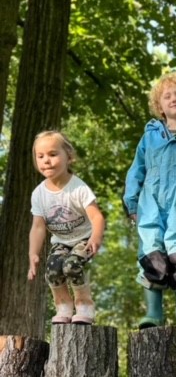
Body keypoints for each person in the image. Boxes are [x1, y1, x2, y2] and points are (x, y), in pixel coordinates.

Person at [123, 71, 176, 329]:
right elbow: (136, 169)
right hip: (149, 204)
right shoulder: (150, 136)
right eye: (167, 96)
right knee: (152, 250)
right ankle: (153, 311)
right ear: (159, 106)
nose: (173, 99)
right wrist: (131, 202)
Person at [28, 131, 105, 325]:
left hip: (83, 239)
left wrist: (95, 238)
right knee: (53, 270)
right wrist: (33, 254)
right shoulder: (39, 194)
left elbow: (96, 216)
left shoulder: (78, 188)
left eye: (53, 154)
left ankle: (84, 305)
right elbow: (38, 227)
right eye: (41, 156)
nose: (46, 160)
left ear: (68, 157)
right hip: (61, 242)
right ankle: (63, 306)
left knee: (71, 266)